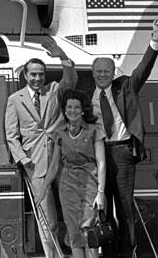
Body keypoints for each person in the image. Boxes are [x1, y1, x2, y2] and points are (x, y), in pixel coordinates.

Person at [85, 15, 158, 258]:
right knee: (102, 208)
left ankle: (127, 252)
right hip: (98, 156)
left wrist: (155, 38)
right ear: (92, 73)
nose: (102, 75)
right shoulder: (85, 98)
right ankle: (108, 252)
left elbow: (144, 69)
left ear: (113, 72)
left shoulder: (126, 87)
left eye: (107, 71)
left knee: (124, 207)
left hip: (122, 152)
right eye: (98, 71)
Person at [5, 39, 77, 258]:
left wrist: (61, 55)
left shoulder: (54, 90)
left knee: (73, 212)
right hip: (35, 165)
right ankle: (53, 255)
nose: (37, 78)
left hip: (61, 160)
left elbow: (71, 79)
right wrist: (21, 158)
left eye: (41, 74)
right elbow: (11, 135)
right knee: (48, 220)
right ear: (25, 76)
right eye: (33, 74)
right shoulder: (14, 100)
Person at [35, 89, 106, 258]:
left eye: (76, 107)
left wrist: (101, 193)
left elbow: (102, 163)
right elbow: (54, 166)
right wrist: (43, 188)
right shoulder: (60, 134)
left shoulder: (94, 131)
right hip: (68, 186)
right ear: (65, 110)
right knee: (74, 230)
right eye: (69, 107)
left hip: (90, 182)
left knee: (88, 228)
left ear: (82, 110)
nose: (72, 111)